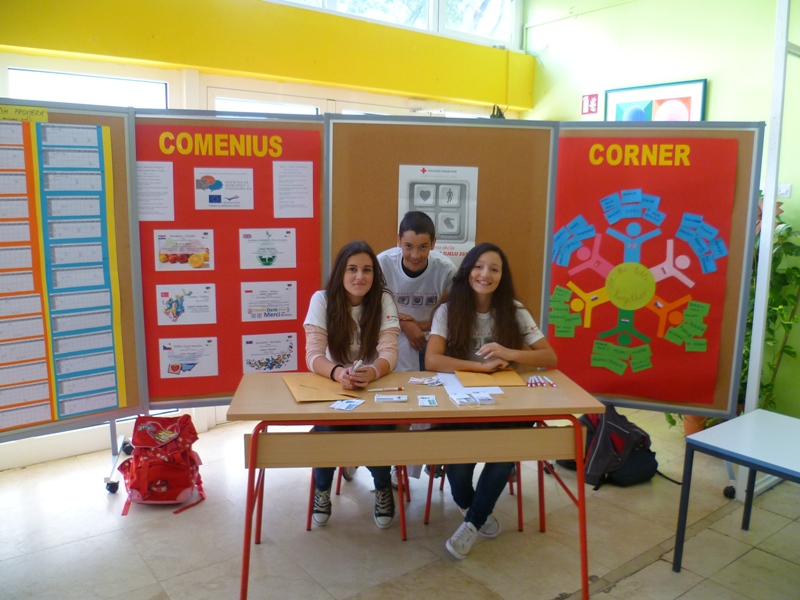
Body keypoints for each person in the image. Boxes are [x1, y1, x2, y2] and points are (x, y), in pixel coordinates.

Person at [425, 242, 558, 559]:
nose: (485, 274)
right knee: (459, 469)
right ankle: (474, 506)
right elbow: (432, 360)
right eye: (479, 266)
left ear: (502, 276)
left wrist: (508, 352)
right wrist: (480, 367)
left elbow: (549, 357)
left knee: (504, 453)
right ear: (467, 271)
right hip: (461, 403)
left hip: (505, 402)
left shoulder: (514, 310)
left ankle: (472, 523)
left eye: (494, 269)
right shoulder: (448, 310)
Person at [303, 241, 400, 528]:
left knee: (378, 431)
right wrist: (337, 373)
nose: (360, 276)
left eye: (367, 270)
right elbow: (313, 355)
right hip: (333, 384)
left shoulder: (383, 299)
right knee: (327, 431)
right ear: (340, 273)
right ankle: (322, 490)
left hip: (372, 386)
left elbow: (390, 352)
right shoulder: (322, 300)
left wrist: (373, 371)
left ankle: (382, 487)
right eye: (352, 269)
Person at [377, 211, 456, 371]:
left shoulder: (446, 269)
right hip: (390, 336)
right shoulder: (382, 264)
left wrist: (421, 326)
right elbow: (368, 307)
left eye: (423, 247)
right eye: (408, 246)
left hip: (431, 337)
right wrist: (403, 324)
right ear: (399, 240)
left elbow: (458, 310)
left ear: (433, 243)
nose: (415, 255)